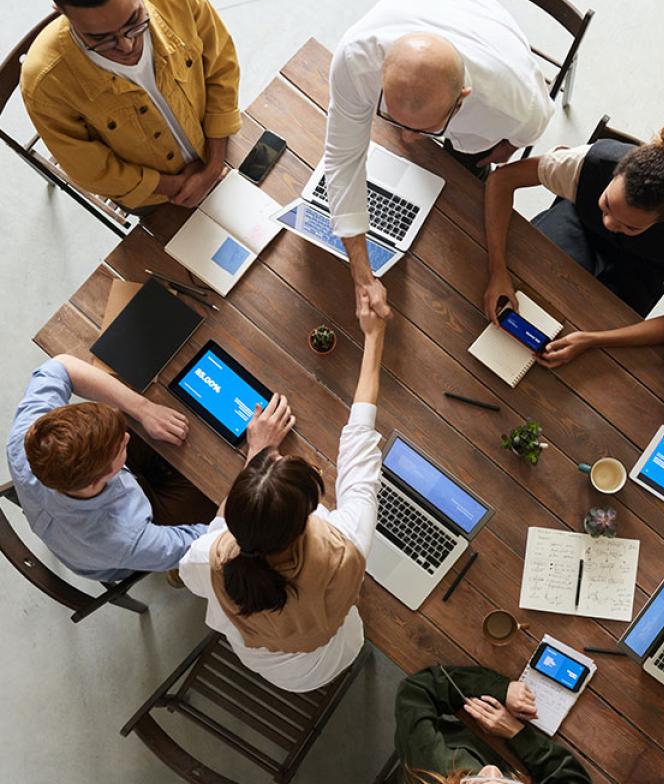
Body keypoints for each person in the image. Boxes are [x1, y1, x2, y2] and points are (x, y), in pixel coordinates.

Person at [179, 293, 386, 692]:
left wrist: (256, 453)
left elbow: (211, 541)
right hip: (334, 651)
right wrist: (375, 337)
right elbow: (360, 447)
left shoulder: (209, 557)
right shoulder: (345, 545)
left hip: (277, 670)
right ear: (307, 518)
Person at [325, 0, 554, 320]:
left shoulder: (514, 105)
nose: (406, 138)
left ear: (462, 98)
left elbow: (526, 133)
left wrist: (500, 152)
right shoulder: (354, 59)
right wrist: (362, 273)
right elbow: (343, 159)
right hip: (427, 7)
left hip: (489, 33)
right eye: (393, 118)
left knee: (467, 188)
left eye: (422, 129)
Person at [484, 115, 664, 367]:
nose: (609, 223)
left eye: (630, 226)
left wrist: (592, 340)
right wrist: (497, 270)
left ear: (663, 220)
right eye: (607, 205)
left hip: (642, 267)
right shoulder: (587, 163)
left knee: (597, 332)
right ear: (616, 174)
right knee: (531, 282)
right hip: (580, 225)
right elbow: (501, 180)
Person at [21, 0, 241, 211]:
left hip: (219, 145)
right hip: (158, 198)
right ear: (60, 11)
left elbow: (222, 67)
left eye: (134, 21)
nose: (127, 46)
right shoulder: (44, 84)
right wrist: (177, 186)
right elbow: (91, 170)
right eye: (101, 38)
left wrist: (213, 167)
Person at [5, 354, 215, 581]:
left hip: (71, 524)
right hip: (121, 552)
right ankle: (176, 574)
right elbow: (209, 545)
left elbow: (62, 365)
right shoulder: (125, 539)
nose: (126, 437)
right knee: (223, 498)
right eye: (121, 446)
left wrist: (143, 409)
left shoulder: (30, 439)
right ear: (98, 480)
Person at [394, 665, 591, 784]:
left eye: (475, 783)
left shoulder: (430, 766)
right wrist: (517, 734)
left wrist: (499, 689)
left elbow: (416, 692)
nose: (492, 770)